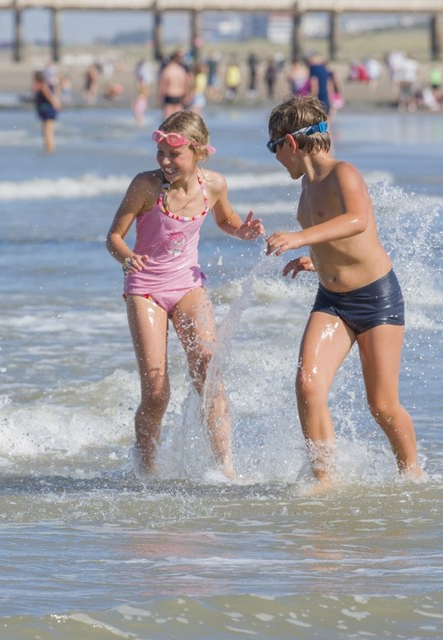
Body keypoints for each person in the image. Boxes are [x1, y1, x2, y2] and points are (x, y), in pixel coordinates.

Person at [264, 95, 423, 494]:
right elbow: (338, 239)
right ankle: (325, 479)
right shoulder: (306, 184)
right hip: (331, 299)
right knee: (307, 385)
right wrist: (315, 260)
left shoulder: (343, 173)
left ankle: (412, 475)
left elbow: (357, 221)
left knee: (382, 405)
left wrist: (300, 238)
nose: (276, 157)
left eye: (274, 148)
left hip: (376, 298)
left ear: (291, 142)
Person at [105, 111, 265, 477]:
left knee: (208, 372)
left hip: (188, 285)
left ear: (199, 153)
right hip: (145, 288)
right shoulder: (145, 186)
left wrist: (244, 231)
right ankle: (145, 470)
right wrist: (127, 258)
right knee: (157, 391)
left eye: (173, 155)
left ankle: (225, 469)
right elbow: (113, 238)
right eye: (160, 153)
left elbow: (226, 220)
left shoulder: (215, 185)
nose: (164, 161)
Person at [157, 49, 192, 119]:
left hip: (169, 95)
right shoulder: (182, 70)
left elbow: (163, 85)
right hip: (180, 95)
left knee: (167, 120)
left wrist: (160, 97)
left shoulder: (167, 70)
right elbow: (186, 84)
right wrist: (187, 96)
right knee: (178, 120)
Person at [32, 69, 60, 154]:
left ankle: (49, 149)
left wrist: (55, 104)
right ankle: (48, 148)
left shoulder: (43, 85)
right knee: (46, 130)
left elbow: (50, 97)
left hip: (47, 110)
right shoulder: (40, 85)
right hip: (46, 109)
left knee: (48, 131)